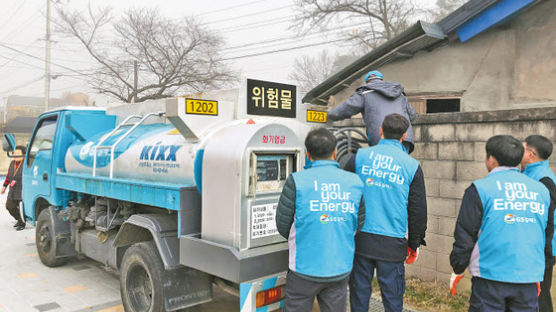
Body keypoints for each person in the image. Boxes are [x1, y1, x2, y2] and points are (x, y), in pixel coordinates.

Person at [450, 135, 552, 311]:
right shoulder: (541, 190)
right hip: (527, 276)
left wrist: (458, 265)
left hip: (490, 276)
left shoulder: (480, 189)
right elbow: (546, 230)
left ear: (491, 159)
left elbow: (466, 233)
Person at [275, 127, 365, 312]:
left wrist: (304, 237)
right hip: (340, 267)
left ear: (307, 153)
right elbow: (359, 223)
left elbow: (283, 224)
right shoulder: (355, 182)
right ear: (334, 152)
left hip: (302, 268)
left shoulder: (296, 181)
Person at [349, 113, 427, 312]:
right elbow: (417, 209)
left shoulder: (359, 157)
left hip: (361, 240)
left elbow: (343, 192)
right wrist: (414, 242)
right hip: (392, 244)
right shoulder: (412, 166)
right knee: (392, 300)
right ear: (403, 136)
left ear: (381, 131)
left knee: (359, 296)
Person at [327, 70, 417, 154]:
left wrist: (329, 115)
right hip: (404, 139)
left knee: (384, 166)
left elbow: (344, 109)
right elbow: (412, 115)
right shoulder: (399, 94)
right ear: (382, 80)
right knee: (400, 166)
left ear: (367, 82)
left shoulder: (365, 93)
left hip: (382, 139)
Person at [521, 135, 556, 312]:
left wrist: (545, 256)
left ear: (530, 154)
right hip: (532, 248)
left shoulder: (544, 179)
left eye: (522, 147)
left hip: (541, 250)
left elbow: (547, 221)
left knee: (539, 298)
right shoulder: (530, 173)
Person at [1, 145, 26, 231]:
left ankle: (22, 222)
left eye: (18, 153)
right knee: (9, 206)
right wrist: (4, 186)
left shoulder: (26, 164)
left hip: (22, 190)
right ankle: (19, 219)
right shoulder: (12, 163)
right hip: (12, 190)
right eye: (14, 153)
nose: (15, 155)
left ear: (23, 154)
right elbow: (8, 176)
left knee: (21, 208)